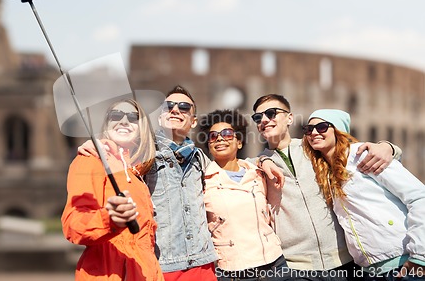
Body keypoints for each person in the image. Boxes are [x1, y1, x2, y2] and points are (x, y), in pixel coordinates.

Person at [250, 94, 402, 280]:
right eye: (258, 118)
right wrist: (262, 159)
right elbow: (232, 167)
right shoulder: (253, 166)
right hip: (296, 266)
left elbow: (354, 151)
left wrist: (389, 147)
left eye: (271, 113)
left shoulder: (314, 148)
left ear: (290, 118)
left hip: (343, 262)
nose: (264, 120)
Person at [79, 86, 219, 280]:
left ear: (193, 121)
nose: (175, 109)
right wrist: (98, 145)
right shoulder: (143, 154)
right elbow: (118, 150)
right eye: (168, 106)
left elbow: (233, 171)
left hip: (203, 264)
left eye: (184, 107)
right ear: (160, 118)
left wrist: (264, 159)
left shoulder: (201, 159)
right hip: (162, 265)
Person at [302, 109, 425, 281]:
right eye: (308, 129)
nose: (314, 132)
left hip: (403, 264)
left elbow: (418, 196)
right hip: (367, 272)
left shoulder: (362, 155)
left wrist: (420, 256)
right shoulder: (323, 172)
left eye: (322, 127)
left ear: (338, 131)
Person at [61, 99, 164, 280]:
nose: (123, 121)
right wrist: (110, 219)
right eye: (116, 116)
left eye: (132, 117)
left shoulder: (136, 175)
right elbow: (74, 225)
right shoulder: (91, 160)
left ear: (142, 128)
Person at [199, 109, 290, 281]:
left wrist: (263, 159)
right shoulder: (202, 180)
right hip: (232, 270)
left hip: (273, 265)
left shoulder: (258, 173)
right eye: (213, 136)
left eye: (227, 134)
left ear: (239, 142)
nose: (219, 138)